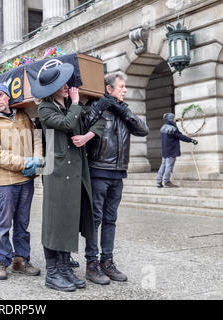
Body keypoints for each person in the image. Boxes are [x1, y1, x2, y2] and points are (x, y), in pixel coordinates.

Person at [33, 63, 107, 292]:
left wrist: (88, 136)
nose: (67, 87)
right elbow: (66, 124)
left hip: (76, 173)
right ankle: (53, 273)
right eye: (61, 85)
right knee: (55, 222)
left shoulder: (70, 106)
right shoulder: (45, 109)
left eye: (66, 83)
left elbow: (100, 120)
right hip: (57, 174)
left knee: (68, 221)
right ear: (51, 89)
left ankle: (65, 269)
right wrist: (75, 103)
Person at [84, 71, 149, 285]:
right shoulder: (97, 106)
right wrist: (100, 106)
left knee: (110, 220)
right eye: (121, 87)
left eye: (124, 87)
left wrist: (123, 111)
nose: (125, 90)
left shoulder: (123, 111)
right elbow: (83, 126)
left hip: (118, 174)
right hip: (98, 172)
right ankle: (91, 264)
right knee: (95, 220)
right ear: (108, 89)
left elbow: (143, 130)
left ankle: (107, 262)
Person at [0, 83, 43, 281]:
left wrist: (38, 159)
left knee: (22, 224)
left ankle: (20, 260)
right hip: (5, 182)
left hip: (26, 180)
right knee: (3, 224)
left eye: (1, 95)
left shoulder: (22, 116)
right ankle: (1, 260)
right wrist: (25, 162)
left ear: (8, 97)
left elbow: (36, 138)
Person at [156, 113, 198, 188]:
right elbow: (180, 136)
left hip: (165, 151)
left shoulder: (163, 127)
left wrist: (176, 121)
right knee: (169, 166)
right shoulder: (173, 129)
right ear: (171, 119)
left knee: (163, 165)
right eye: (174, 118)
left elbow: (172, 126)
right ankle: (166, 181)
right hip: (171, 150)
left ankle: (158, 182)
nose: (175, 119)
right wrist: (191, 140)